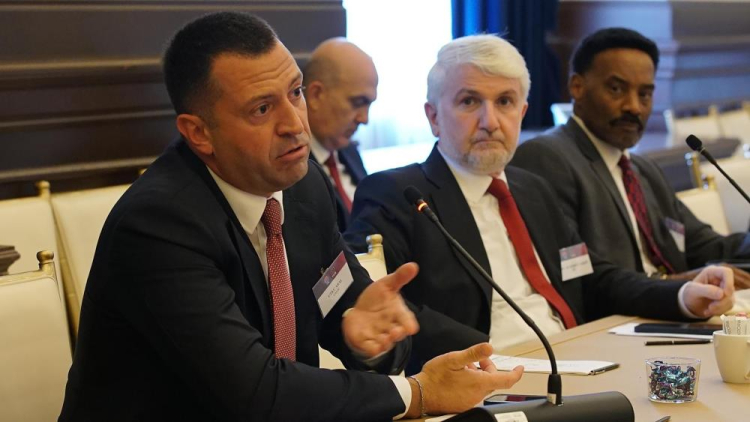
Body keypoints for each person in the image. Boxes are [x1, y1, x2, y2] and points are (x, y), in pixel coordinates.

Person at [58, 13, 523, 422]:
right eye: (262, 108)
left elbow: (348, 308)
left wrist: (369, 343)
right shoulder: (159, 225)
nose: (295, 124)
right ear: (199, 132)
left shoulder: (302, 187)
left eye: (295, 92)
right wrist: (417, 393)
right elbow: (256, 395)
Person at [345, 34, 735, 373]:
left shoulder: (533, 189)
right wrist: (486, 354)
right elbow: (383, 306)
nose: (490, 121)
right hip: (487, 372)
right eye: (469, 102)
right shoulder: (397, 194)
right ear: (433, 117)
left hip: (579, 358)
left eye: (505, 102)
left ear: (522, 113)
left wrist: (682, 296)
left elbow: (591, 278)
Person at [511, 27, 750, 287]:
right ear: (577, 87)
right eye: (616, 89)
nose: (634, 107)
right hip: (622, 311)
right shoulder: (547, 157)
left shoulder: (643, 170)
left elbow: (707, 247)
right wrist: (675, 288)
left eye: (644, 94)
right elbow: (576, 275)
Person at [303, 38, 375, 231]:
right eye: (357, 102)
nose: (364, 119)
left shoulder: (349, 151)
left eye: (369, 104)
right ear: (316, 95)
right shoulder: (292, 168)